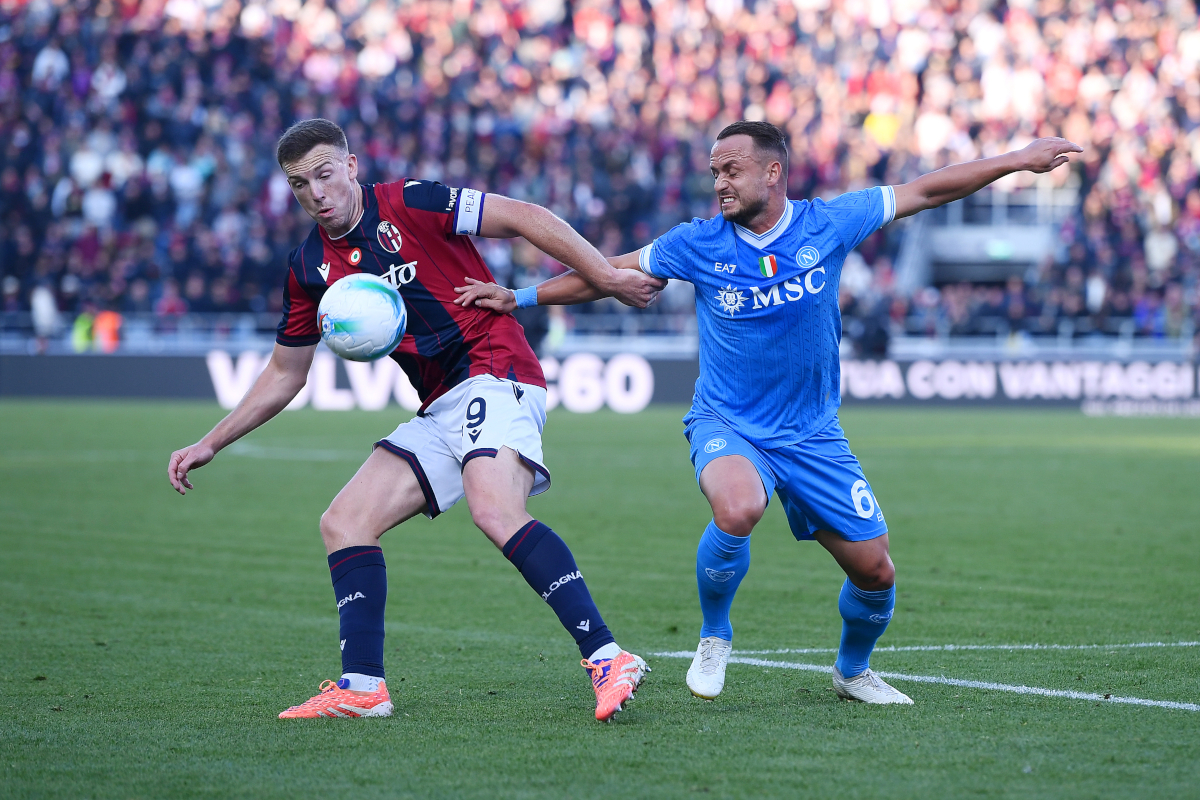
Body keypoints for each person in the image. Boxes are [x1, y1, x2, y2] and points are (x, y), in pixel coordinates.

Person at [454, 121, 1081, 704]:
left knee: (877, 572)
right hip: (727, 421)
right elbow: (605, 272)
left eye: (731, 170)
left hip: (812, 433)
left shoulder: (829, 223)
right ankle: (715, 635)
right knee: (739, 505)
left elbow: (926, 190)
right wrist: (522, 298)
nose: (720, 183)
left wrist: (1017, 162)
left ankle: (852, 671)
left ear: (773, 172)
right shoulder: (698, 243)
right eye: (714, 172)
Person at [166, 118, 664, 721]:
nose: (316, 193)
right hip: (439, 403)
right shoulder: (308, 269)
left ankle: (608, 655)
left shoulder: (409, 201)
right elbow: (284, 372)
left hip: (495, 366)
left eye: (325, 175)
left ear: (351, 167)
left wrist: (605, 277)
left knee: (494, 509)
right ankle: (362, 688)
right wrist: (211, 442)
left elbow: (523, 215)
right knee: (344, 521)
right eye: (300, 184)